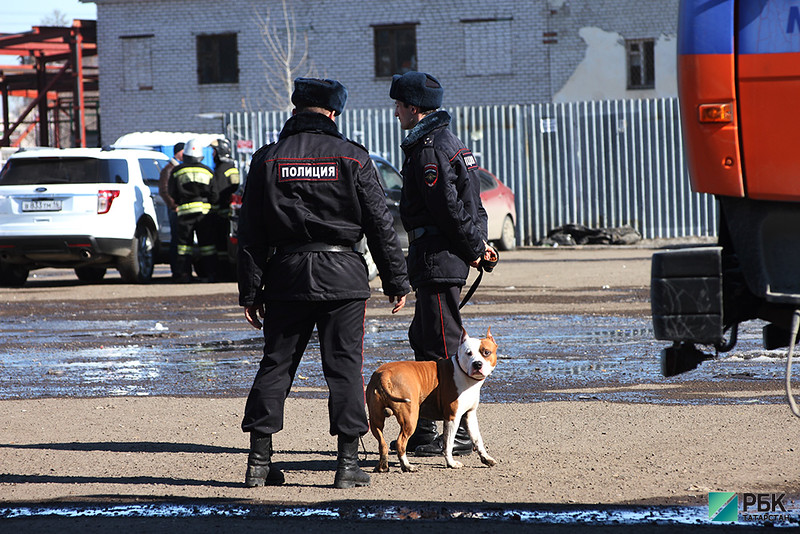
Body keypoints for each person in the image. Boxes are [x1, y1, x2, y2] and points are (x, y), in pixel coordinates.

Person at [237, 77, 410, 489]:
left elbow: (251, 233)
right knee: (345, 368)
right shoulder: (353, 157)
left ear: (295, 110)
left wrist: (250, 290)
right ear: (334, 113)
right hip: (343, 276)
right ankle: (347, 465)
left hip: (286, 275)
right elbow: (380, 224)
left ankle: (258, 464)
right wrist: (396, 280)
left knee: (276, 365)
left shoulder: (267, 159)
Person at [390, 71, 492, 457]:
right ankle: (423, 427)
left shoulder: (430, 147)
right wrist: (478, 244)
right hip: (440, 256)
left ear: (414, 108)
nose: (396, 112)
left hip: (437, 256)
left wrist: (472, 248)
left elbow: (447, 208)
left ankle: (460, 431)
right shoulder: (450, 143)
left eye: (399, 106)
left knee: (445, 344)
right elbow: (475, 205)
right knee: (424, 337)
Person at [167, 138, 218, 283]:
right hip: (204, 215)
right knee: (207, 245)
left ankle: (183, 275)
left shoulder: (177, 171)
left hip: (184, 214)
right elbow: (215, 195)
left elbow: (171, 191)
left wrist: (179, 201)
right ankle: (210, 274)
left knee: (183, 246)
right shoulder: (208, 171)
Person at [209, 138, 240, 281]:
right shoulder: (232, 167)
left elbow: (217, 193)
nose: (213, 155)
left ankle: (222, 273)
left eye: (214, 151)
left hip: (222, 214)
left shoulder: (221, 169)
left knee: (221, 246)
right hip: (231, 214)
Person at [158, 142, 184, 278]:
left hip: (180, 210)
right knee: (176, 240)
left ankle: (181, 269)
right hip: (175, 211)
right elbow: (163, 191)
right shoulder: (169, 169)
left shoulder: (177, 168)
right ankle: (176, 270)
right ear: (179, 152)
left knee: (181, 239)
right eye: (183, 151)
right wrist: (174, 206)